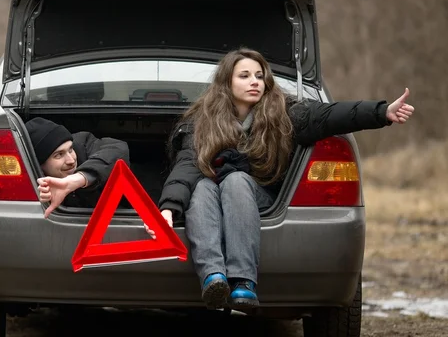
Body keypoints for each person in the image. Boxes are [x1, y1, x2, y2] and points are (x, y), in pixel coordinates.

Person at [145, 47, 415, 310]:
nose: (255, 82)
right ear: (226, 83)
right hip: (208, 202)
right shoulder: (203, 122)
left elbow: (331, 115)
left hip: (259, 196)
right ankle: (213, 277)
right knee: (202, 185)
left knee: (236, 180)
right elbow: (187, 167)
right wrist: (168, 210)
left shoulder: (285, 113)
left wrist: (382, 112)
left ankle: (243, 282)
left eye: (259, 76)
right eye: (245, 76)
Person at [25, 117, 130, 218]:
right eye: (58, 155)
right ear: (40, 164)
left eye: (70, 149)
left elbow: (118, 149)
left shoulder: (82, 144)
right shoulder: (31, 184)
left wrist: (80, 178)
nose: (71, 160)